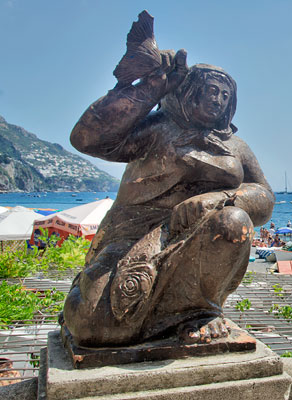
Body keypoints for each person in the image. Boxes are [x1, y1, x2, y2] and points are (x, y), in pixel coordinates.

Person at [62, 48, 274, 347]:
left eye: (225, 96)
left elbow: (264, 195)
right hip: (134, 233)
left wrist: (222, 198)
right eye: (211, 91)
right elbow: (88, 139)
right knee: (94, 326)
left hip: (197, 235)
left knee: (233, 220)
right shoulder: (158, 127)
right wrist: (150, 88)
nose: (218, 99)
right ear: (190, 91)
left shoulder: (236, 146)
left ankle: (198, 313)